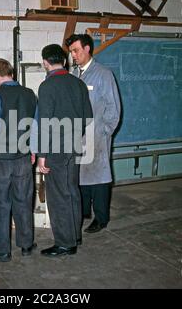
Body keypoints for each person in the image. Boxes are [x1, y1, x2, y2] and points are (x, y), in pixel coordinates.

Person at [37, 44, 93, 257]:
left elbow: (44, 123)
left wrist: (42, 156)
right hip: (74, 145)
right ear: (64, 60)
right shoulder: (78, 83)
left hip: (55, 149)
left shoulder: (47, 86)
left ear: (45, 62)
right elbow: (88, 117)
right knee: (72, 191)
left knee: (58, 196)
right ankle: (74, 235)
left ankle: (64, 243)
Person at [0, 58, 37, 262]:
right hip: (23, 157)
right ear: (11, 73)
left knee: (0, 204)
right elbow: (36, 126)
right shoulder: (30, 94)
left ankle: (2, 250)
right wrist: (33, 151)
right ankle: (26, 245)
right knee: (23, 201)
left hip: (2, 160)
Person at [65, 34, 121, 234]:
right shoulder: (73, 74)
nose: (73, 55)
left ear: (87, 49)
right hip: (77, 136)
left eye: (76, 50)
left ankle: (101, 218)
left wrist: (104, 132)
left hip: (97, 135)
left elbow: (114, 110)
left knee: (99, 177)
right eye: (71, 51)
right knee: (80, 175)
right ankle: (84, 212)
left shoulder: (103, 74)